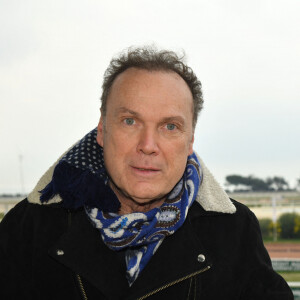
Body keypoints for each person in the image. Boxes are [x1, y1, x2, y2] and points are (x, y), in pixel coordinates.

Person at [0, 46, 293, 300]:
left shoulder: (234, 232)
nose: (148, 146)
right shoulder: (30, 229)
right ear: (102, 130)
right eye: (130, 121)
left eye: (170, 127)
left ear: (190, 141)